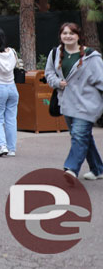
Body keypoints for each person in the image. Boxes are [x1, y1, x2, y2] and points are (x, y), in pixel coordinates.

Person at [44, 22, 103, 182]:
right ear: (61, 36)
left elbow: (101, 80)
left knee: (78, 135)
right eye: (65, 33)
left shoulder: (91, 56)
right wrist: (57, 82)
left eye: (71, 33)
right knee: (82, 136)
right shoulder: (55, 53)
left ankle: (71, 169)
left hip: (88, 104)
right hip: (67, 104)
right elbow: (48, 73)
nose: (68, 36)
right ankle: (98, 169)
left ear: (78, 36)